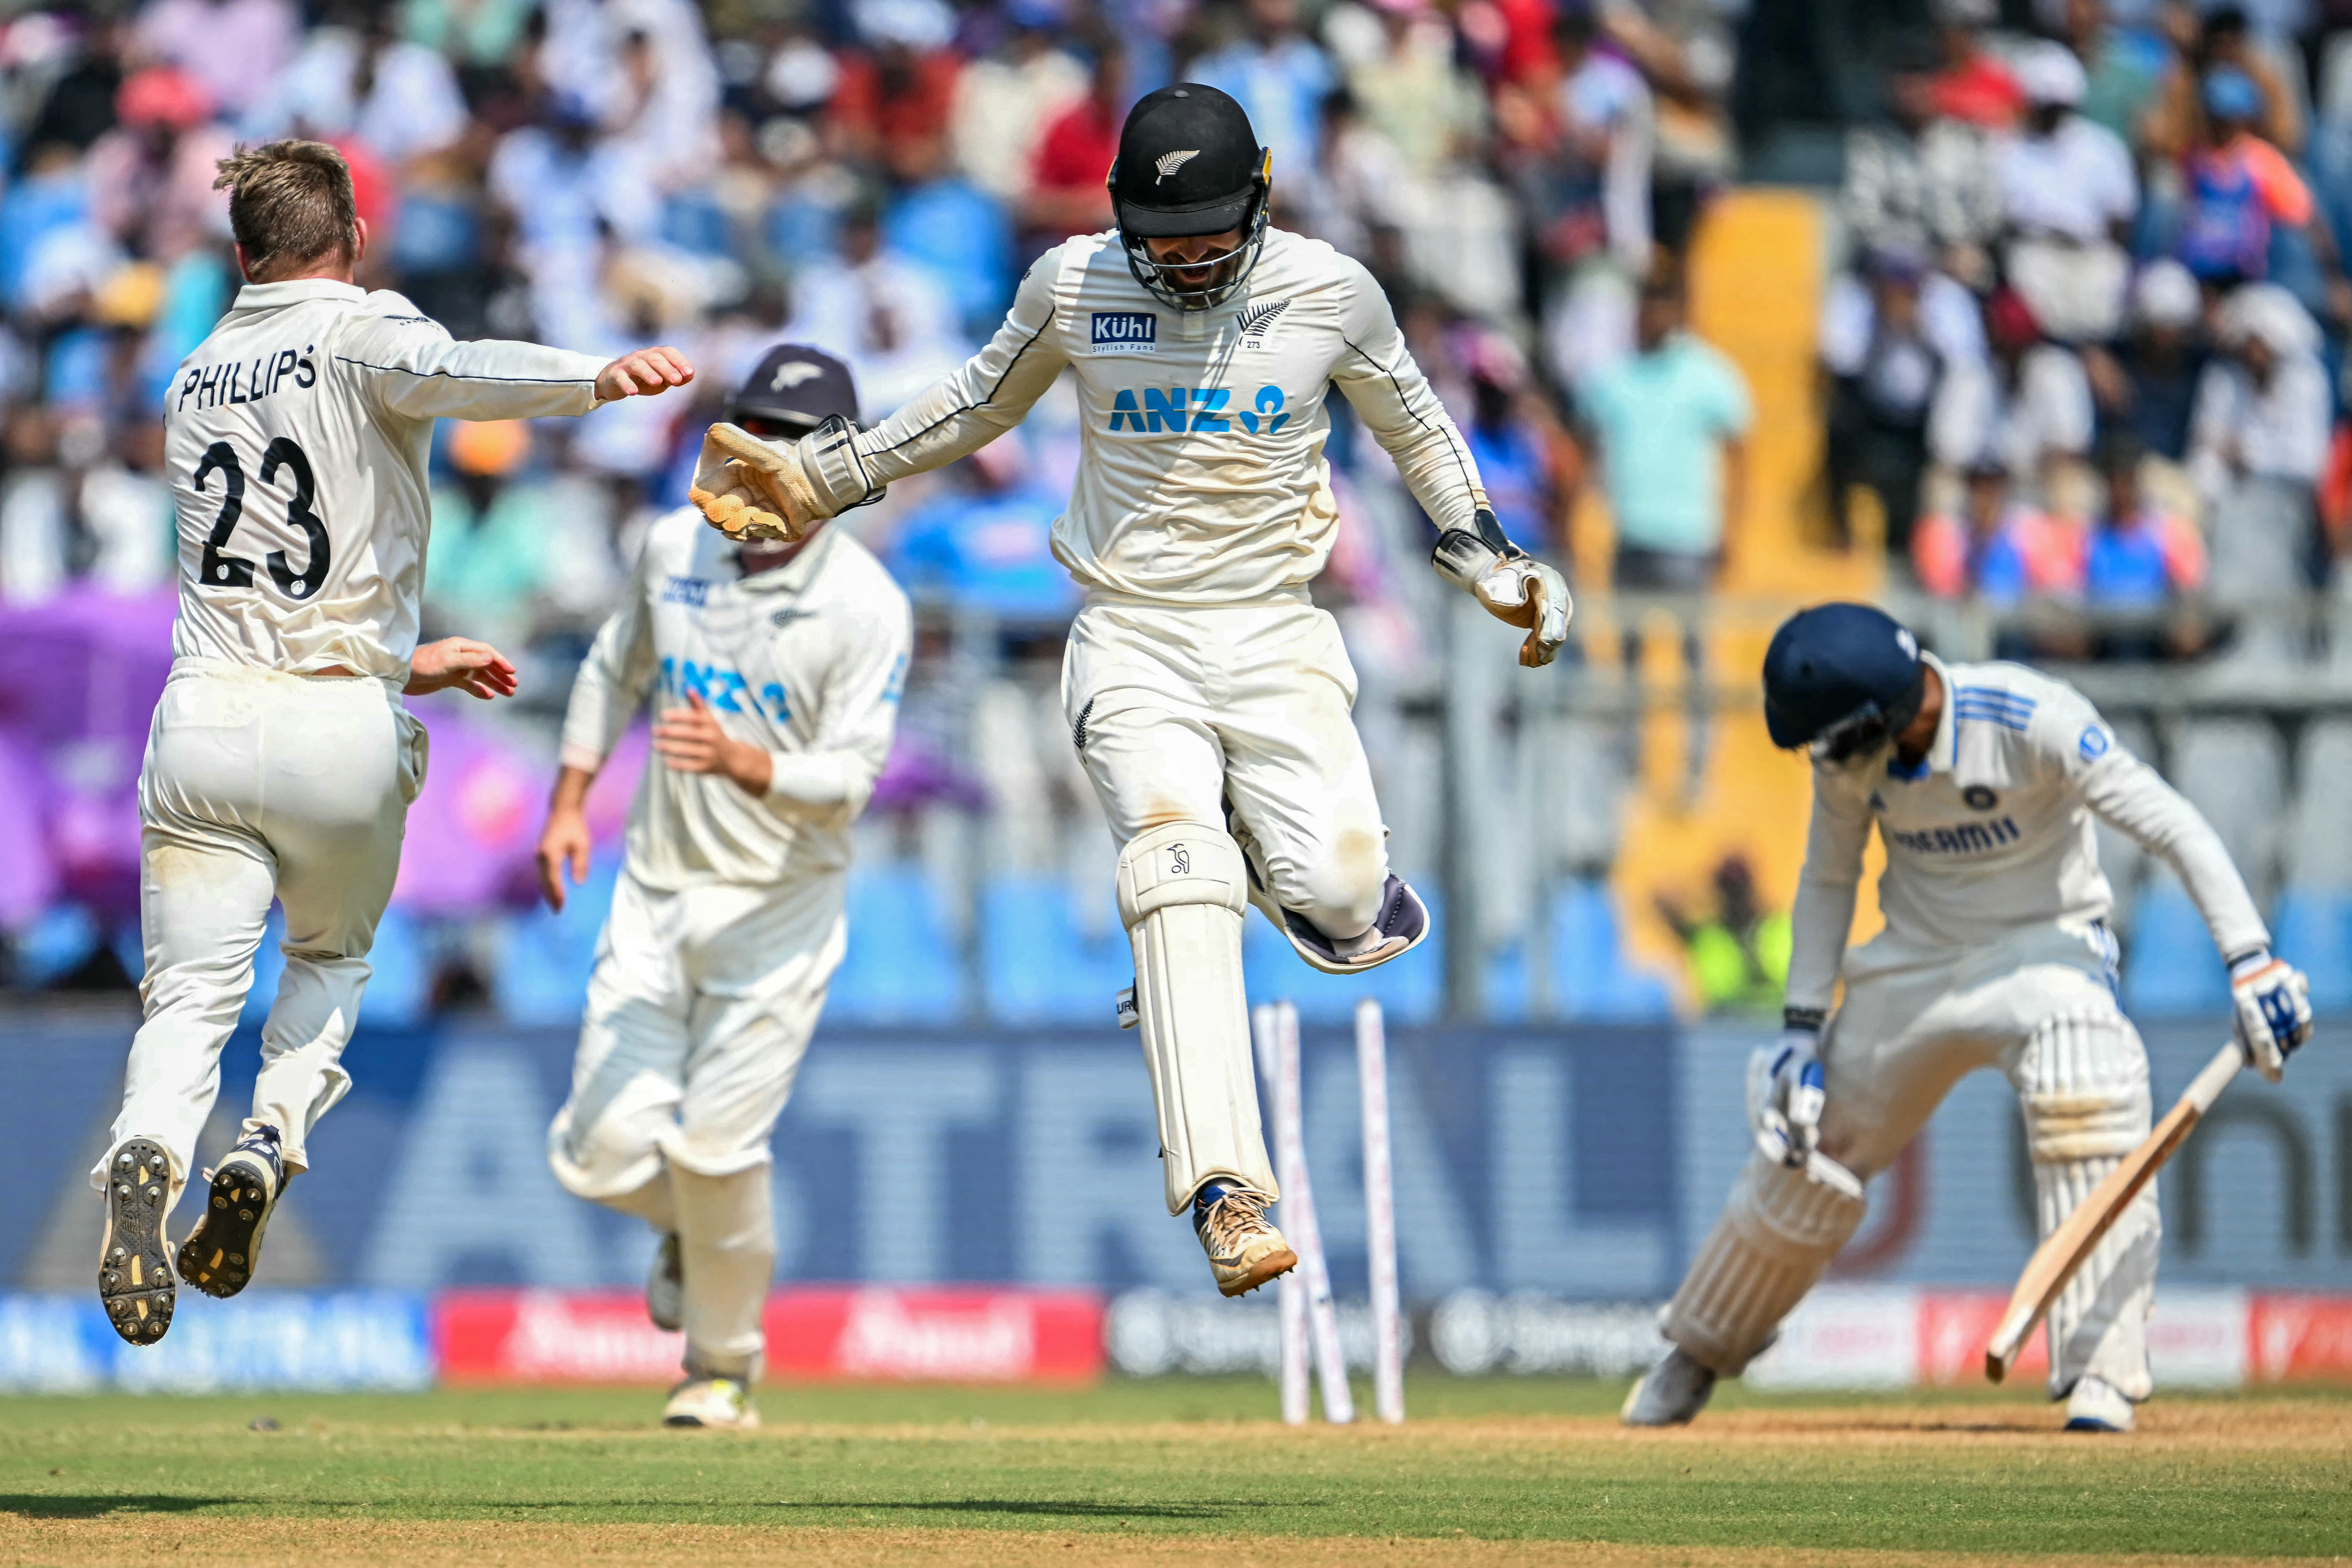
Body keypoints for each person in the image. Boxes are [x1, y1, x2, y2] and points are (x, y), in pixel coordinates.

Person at [688, 83, 1568, 1298]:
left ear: (1257, 205)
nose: (1192, 266)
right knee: (1176, 863)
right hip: (1130, 631)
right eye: (1168, 246)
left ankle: (1240, 903)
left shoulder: (1329, 291)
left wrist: (1489, 551)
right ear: (1120, 221)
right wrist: (824, 475)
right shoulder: (1074, 284)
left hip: (1274, 631)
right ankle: (1224, 1191)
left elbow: (1416, 429)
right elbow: (972, 402)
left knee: (1342, 894)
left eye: (1214, 241)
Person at [94, 140, 693, 1347]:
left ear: (237, 253)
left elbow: (252, 581)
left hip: (205, 710)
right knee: (329, 959)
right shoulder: (363, 327)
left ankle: (148, 1149)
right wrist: (595, 376)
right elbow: (460, 364)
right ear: (351, 239)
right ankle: (268, 1138)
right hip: (335, 728)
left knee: (187, 997)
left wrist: (412, 655)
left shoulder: (195, 374)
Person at [1621, 602, 2313, 1432]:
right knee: (1808, 1138)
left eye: (1829, 738)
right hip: (1914, 965)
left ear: (1875, 718)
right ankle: (1696, 1352)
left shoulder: (2033, 718)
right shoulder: (1850, 758)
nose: (1822, 756)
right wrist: (1800, 1033)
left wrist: (2251, 958)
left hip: (2046, 954)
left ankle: (2100, 1375)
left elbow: (2170, 823)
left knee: (2084, 1089)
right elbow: (1827, 880)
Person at [535, 346, 908, 1430]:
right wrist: (569, 801)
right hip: (656, 890)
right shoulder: (673, 546)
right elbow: (614, 670)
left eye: (798, 441)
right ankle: (704, 1238)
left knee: (715, 1153)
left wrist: (747, 762)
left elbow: (851, 782)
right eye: (757, 430)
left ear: (841, 460)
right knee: (595, 1155)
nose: (771, 457)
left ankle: (722, 1367)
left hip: (779, 917)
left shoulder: (866, 604)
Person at [1573, 266, 1749, 791]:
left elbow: (1740, 451)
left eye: (1660, 305)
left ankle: (1696, 767)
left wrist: (1730, 530)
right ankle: (1630, 765)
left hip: (1689, 539)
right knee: (1630, 659)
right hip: (1631, 535)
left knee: (1694, 658)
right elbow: (1583, 450)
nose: (1650, 317)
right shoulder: (1613, 378)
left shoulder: (1707, 375)